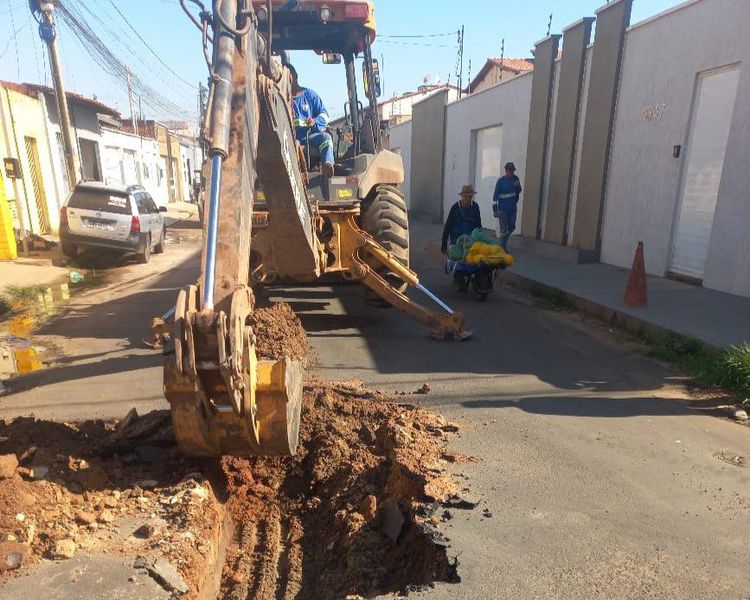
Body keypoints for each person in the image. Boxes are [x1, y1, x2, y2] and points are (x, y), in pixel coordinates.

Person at [288, 64, 335, 177]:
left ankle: (327, 165)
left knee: (326, 138)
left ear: (295, 77)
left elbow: (324, 115)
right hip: (290, 138)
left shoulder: (310, 96)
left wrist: (315, 121)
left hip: (310, 137)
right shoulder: (282, 98)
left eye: (289, 78)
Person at [441, 185, 482, 255]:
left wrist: (480, 240)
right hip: (456, 240)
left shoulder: (475, 207)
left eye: (470, 196)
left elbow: (478, 225)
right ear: (462, 196)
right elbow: (448, 226)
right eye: (466, 196)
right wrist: (444, 245)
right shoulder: (455, 208)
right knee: (457, 259)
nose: (468, 199)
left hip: (470, 240)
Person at [493, 162, 522, 250]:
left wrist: (517, 186)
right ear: (505, 171)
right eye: (509, 171)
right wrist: (495, 210)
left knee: (512, 227)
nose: (511, 173)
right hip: (502, 209)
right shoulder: (501, 181)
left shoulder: (515, 179)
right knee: (504, 229)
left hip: (512, 209)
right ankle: (502, 248)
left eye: (512, 171)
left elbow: (519, 190)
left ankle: (502, 242)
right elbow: (495, 196)